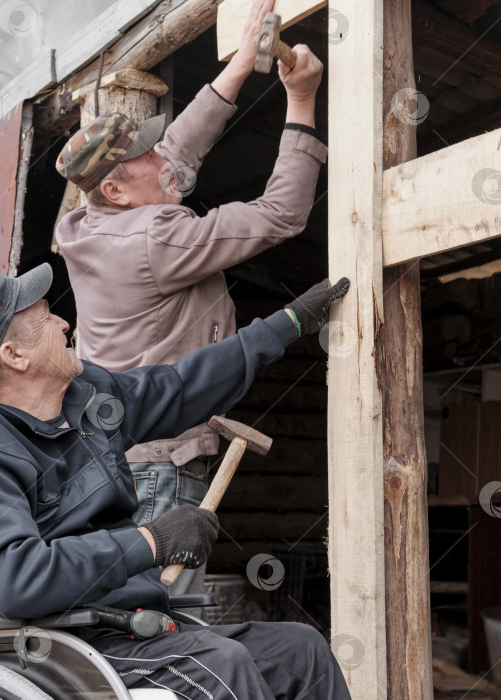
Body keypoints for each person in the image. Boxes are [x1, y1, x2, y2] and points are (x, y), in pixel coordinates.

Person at [0, 262, 351, 698]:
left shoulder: (84, 397)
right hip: (50, 649)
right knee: (224, 667)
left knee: (302, 651)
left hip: (123, 628)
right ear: (14, 356)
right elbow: (17, 579)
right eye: (46, 317)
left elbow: (181, 388)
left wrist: (288, 323)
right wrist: (152, 542)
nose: (63, 321)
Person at [54, 0, 327, 598]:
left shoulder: (85, 224)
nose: (164, 157)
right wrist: (301, 101)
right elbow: (280, 215)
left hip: (125, 455)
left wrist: (240, 67)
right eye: (146, 157)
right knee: (164, 626)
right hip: (161, 468)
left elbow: (177, 151)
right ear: (116, 189)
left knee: (138, 619)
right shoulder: (155, 237)